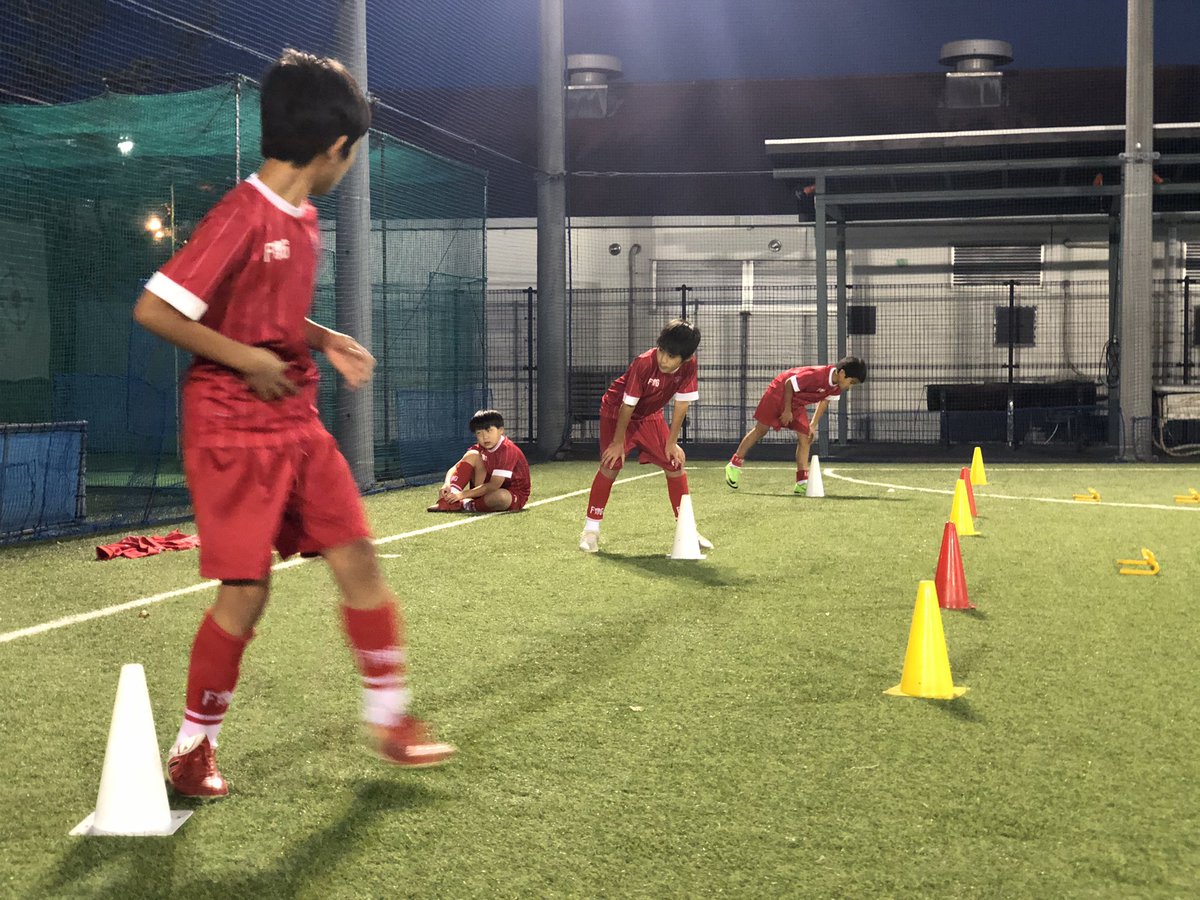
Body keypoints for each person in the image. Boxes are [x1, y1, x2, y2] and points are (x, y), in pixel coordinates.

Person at [132, 49, 453, 798]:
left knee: (359, 556)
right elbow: (156, 309)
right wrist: (246, 358)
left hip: (296, 419)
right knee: (246, 594)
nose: (352, 162)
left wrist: (321, 337)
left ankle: (390, 718)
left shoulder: (304, 217)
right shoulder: (241, 214)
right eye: (356, 151)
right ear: (336, 147)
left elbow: (262, 308)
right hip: (230, 430)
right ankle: (193, 748)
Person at [579, 318, 712, 553]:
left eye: (671, 356)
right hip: (617, 411)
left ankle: (688, 530)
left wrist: (672, 442)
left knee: (674, 463)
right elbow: (627, 406)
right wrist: (618, 442)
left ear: (686, 358)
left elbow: (682, 405)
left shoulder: (690, 366)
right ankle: (591, 531)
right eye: (661, 351)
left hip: (649, 415)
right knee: (611, 463)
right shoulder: (643, 363)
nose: (663, 359)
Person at [725, 356, 867, 494]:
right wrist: (787, 410)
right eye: (851, 382)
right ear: (842, 373)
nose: (850, 387)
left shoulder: (837, 387)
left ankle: (801, 482)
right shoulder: (817, 375)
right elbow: (789, 383)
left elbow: (824, 402)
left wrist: (813, 425)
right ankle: (734, 465)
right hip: (779, 392)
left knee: (805, 436)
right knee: (761, 429)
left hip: (796, 401)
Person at [428, 409, 530, 513]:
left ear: (501, 430)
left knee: (501, 497)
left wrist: (462, 495)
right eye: (479, 433)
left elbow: (494, 485)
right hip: (486, 489)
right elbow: (455, 468)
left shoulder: (507, 450)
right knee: (472, 455)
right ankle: (449, 501)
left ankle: (466, 504)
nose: (485, 437)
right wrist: (447, 484)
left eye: (489, 430)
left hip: (512, 493)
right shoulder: (481, 446)